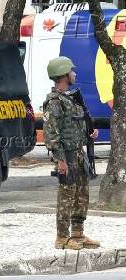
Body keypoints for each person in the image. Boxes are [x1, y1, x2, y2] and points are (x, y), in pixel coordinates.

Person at [43, 56, 100, 250]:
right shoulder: (54, 102)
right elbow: (51, 132)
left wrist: (89, 131)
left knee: (82, 194)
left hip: (78, 152)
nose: (75, 74)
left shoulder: (71, 99)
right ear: (64, 75)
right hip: (65, 155)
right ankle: (61, 237)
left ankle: (78, 233)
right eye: (72, 71)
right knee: (66, 194)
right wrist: (60, 160)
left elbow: (74, 124)